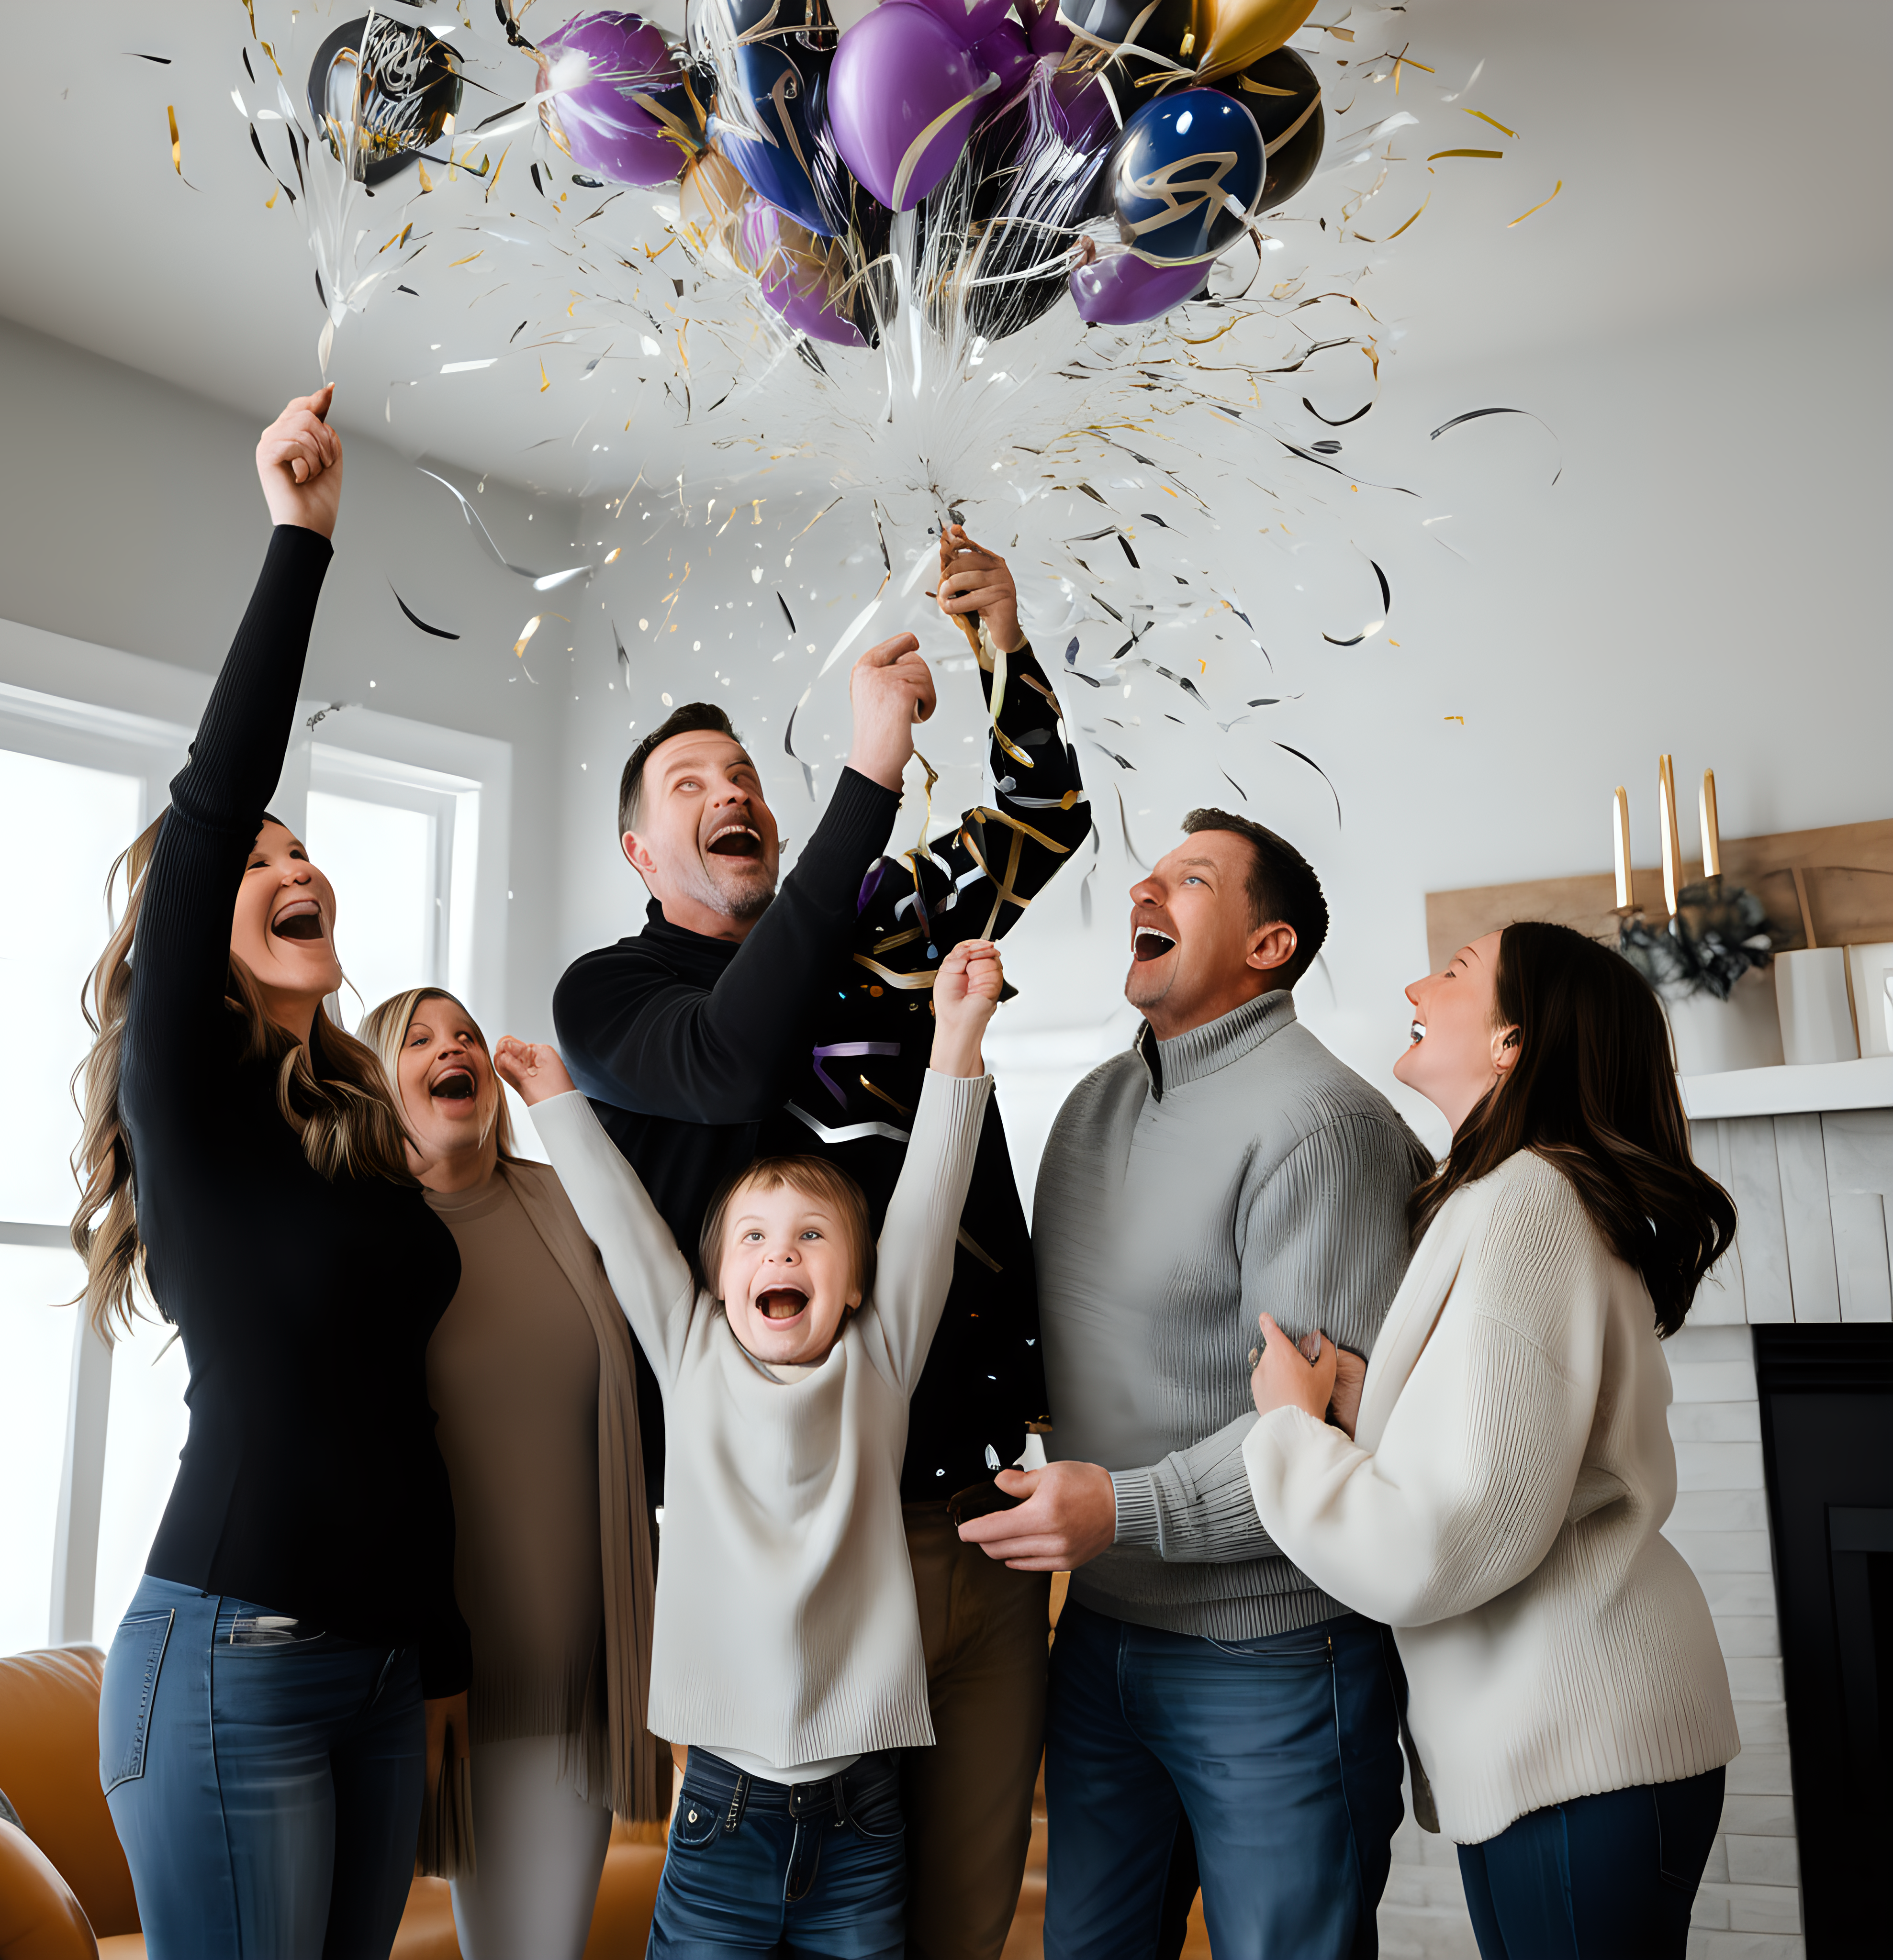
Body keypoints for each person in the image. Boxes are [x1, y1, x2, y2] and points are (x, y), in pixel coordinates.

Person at [550, 528, 1090, 1959]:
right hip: (827, 1541)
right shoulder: (615, 999)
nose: (731, 794)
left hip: (989, 1511)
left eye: (746, 782)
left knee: (961, 1925)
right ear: (639, 851)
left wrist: (999, 643)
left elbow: (1047, 813)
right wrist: (869, 773)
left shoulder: (879, 916)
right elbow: (731, 1065)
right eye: (690, 787)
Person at [70, 389, 470, 1958]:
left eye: (303, 850)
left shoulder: (351, 1131)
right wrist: (300, 540)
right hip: (228, 1653)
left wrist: (434, 1651)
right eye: (252, 858)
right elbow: (210, 791)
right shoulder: (185, 1086)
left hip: (375, 1669)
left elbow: (396, 1402)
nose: (290, 861)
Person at [961, 808, 1431, 1960]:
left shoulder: (1322, 1126)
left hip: (1276, 1657)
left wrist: (1122, 1506)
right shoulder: (1085, 1110)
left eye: (1191, 879)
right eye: (1150, 873)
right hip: (1101, 1642)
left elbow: (1319, 1426)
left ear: (1267, 946)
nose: (1144, 889)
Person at [495, 937, 1006, 1958]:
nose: (781, 1250)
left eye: (812, 1236)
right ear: (719, 1280)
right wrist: (555, 1100)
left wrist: (957, 1034)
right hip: (721, 1809)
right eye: (755, 1238)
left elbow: (929, 1199)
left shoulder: (880, 1357)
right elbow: (628, 1228)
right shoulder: (690, 1355)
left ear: (856, 1282)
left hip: (861, 1813)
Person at [1242, 923, 1742, 1960]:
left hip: (1575, 1748)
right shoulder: (1528, 1192)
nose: (1418, 981)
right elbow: (1520, 1446)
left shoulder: (1524, 1201)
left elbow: (1453, 1531)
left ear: (1512, 1040)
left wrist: (1288, 1428)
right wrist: (1365, 1401)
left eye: (1454, 971)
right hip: (1578, 1744)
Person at [358, 987, 656, 1960]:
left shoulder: (570, 1197)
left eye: (467, 1035)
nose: (455, 1048)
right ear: (374, 1081)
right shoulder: (356, 1237)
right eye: (419, 1038)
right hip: (421, 1680)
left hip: (571, 1677)